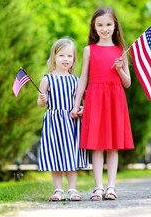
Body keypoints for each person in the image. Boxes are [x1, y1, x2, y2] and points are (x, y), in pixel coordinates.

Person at [70, 6, 134, 201]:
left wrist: (119, 69)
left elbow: (127, 83)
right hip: (95, 98)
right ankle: (98, 187)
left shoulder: (121, 50)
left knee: (113, 146)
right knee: (96, 145)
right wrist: (75, 104)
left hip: (115, 99)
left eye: (108, 24)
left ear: (115, 26)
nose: (104, 28)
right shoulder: (89, 50)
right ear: (94, 27)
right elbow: (83, 79)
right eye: (100, 25)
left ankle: (111, 187)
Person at [37, 38, 89, 201]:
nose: (65, 59)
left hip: (71, 122)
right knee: (56, 155)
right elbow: (40, 103)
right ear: (54, 57)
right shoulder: (47, 79)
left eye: (69, 56)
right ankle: (58, 190)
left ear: (74, 59)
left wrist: (81, 109)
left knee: (71, 155)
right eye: (61, 55)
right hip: (54, 122)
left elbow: (81, 101)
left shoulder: (75, 80)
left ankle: (72, 189)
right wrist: (42, 100)